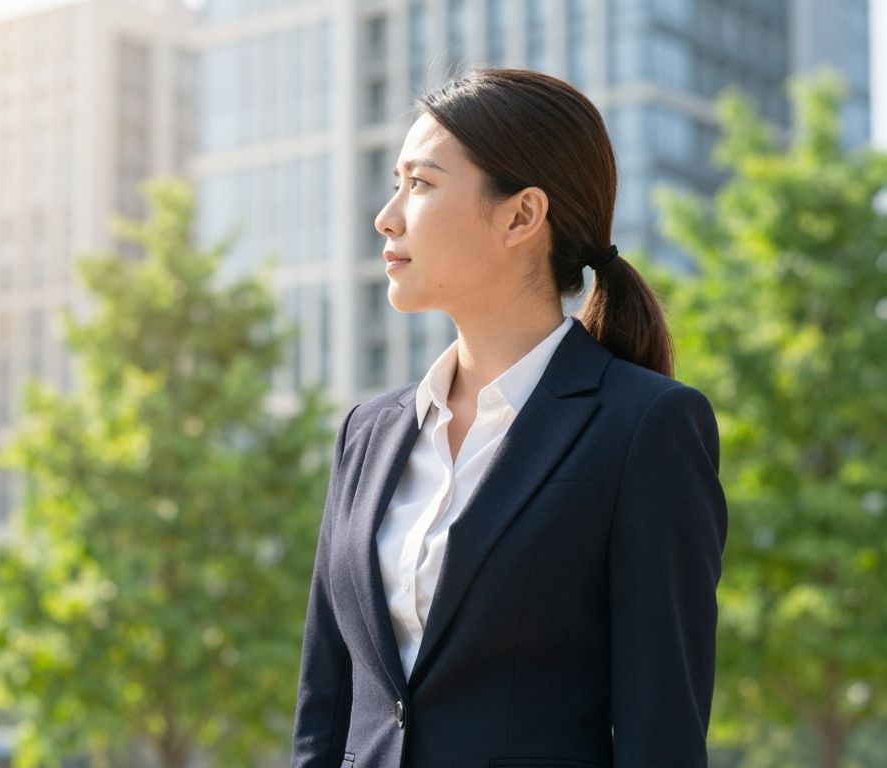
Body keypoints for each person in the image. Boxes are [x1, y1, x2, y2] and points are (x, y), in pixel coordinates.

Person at [291, 68, 728, 768]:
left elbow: (661, 731)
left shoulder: (645, 430)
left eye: (422, 184)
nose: (388, 215)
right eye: (396, 182)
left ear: (522, 216)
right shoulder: (367, 434)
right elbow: (326, 706)